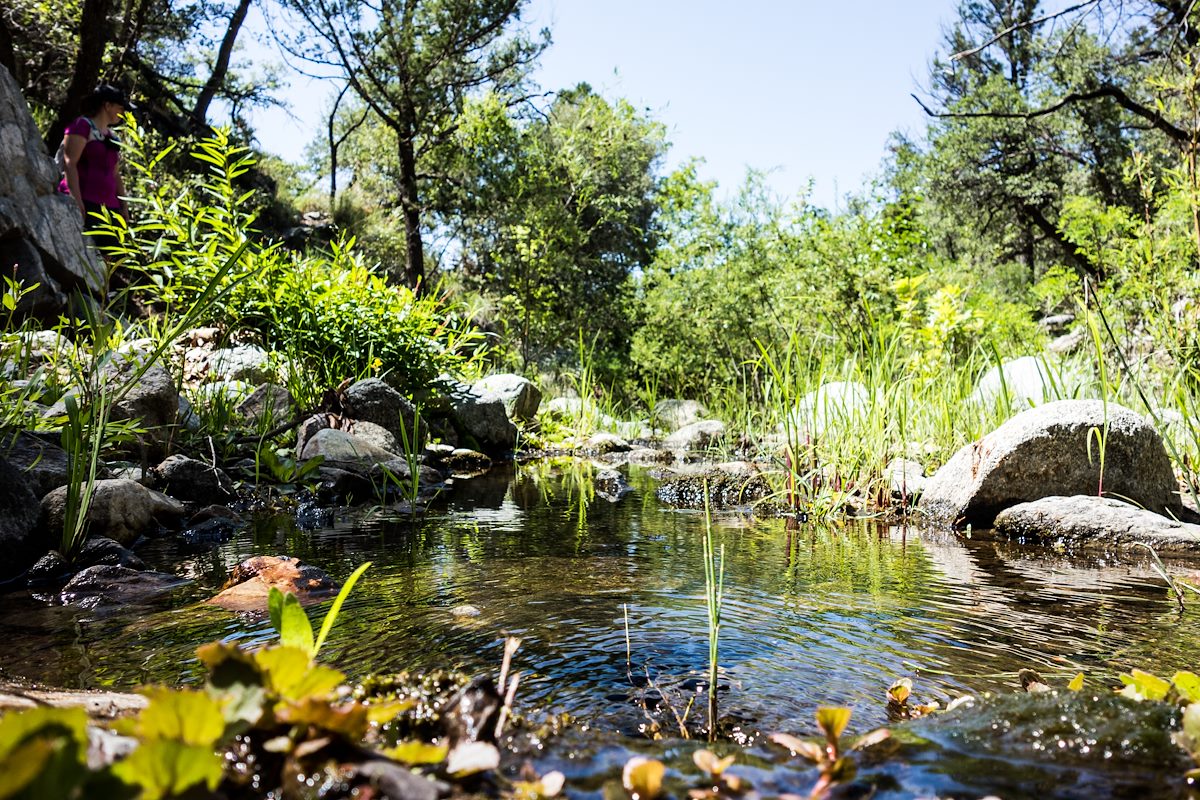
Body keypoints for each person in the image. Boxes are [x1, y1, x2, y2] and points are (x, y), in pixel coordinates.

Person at [58, 84, 136, 247]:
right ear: (107, 105)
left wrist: (124, 205)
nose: (123, 113)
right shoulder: (82, 126)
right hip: (86, 202)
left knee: (106, 260)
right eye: (120, 108)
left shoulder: (113, 137)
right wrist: (76, 201)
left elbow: (115, 174)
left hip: (110, 208)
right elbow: (69, 163)